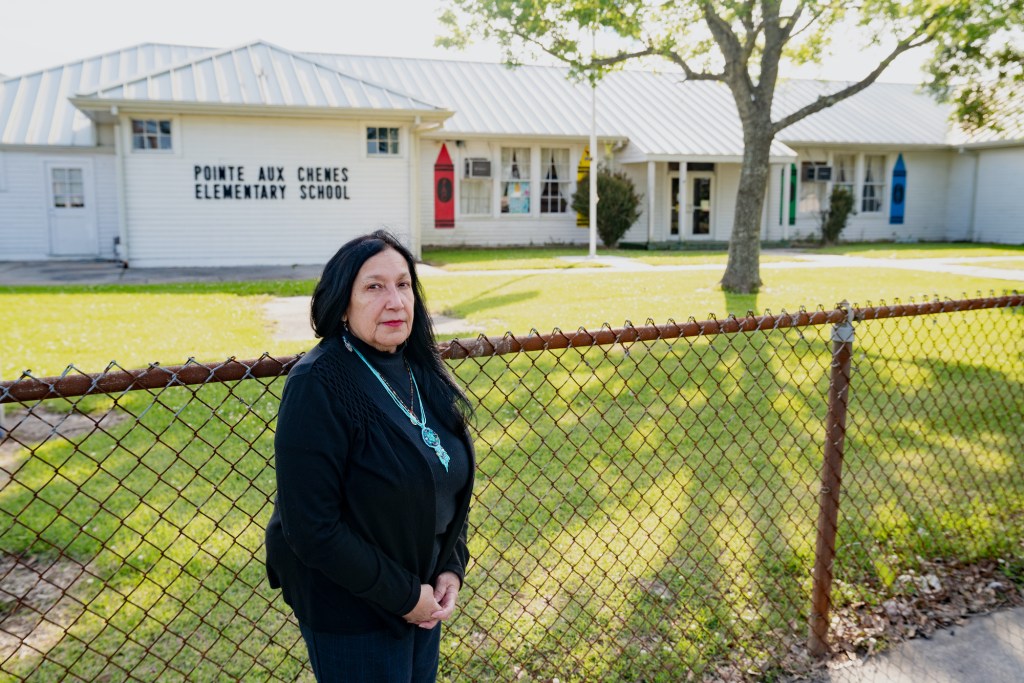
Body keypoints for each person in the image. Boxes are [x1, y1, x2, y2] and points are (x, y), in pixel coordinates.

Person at [265, 230, 475, 682]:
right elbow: (311, 528)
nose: (396, 301)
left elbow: (444, 479)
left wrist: (451, 567)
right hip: (353, 613)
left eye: (403, 284)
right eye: (374, 287)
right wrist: (404, 596)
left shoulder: (417, 367)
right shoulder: (317, 384)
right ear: (343, 304)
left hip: (422, 597)